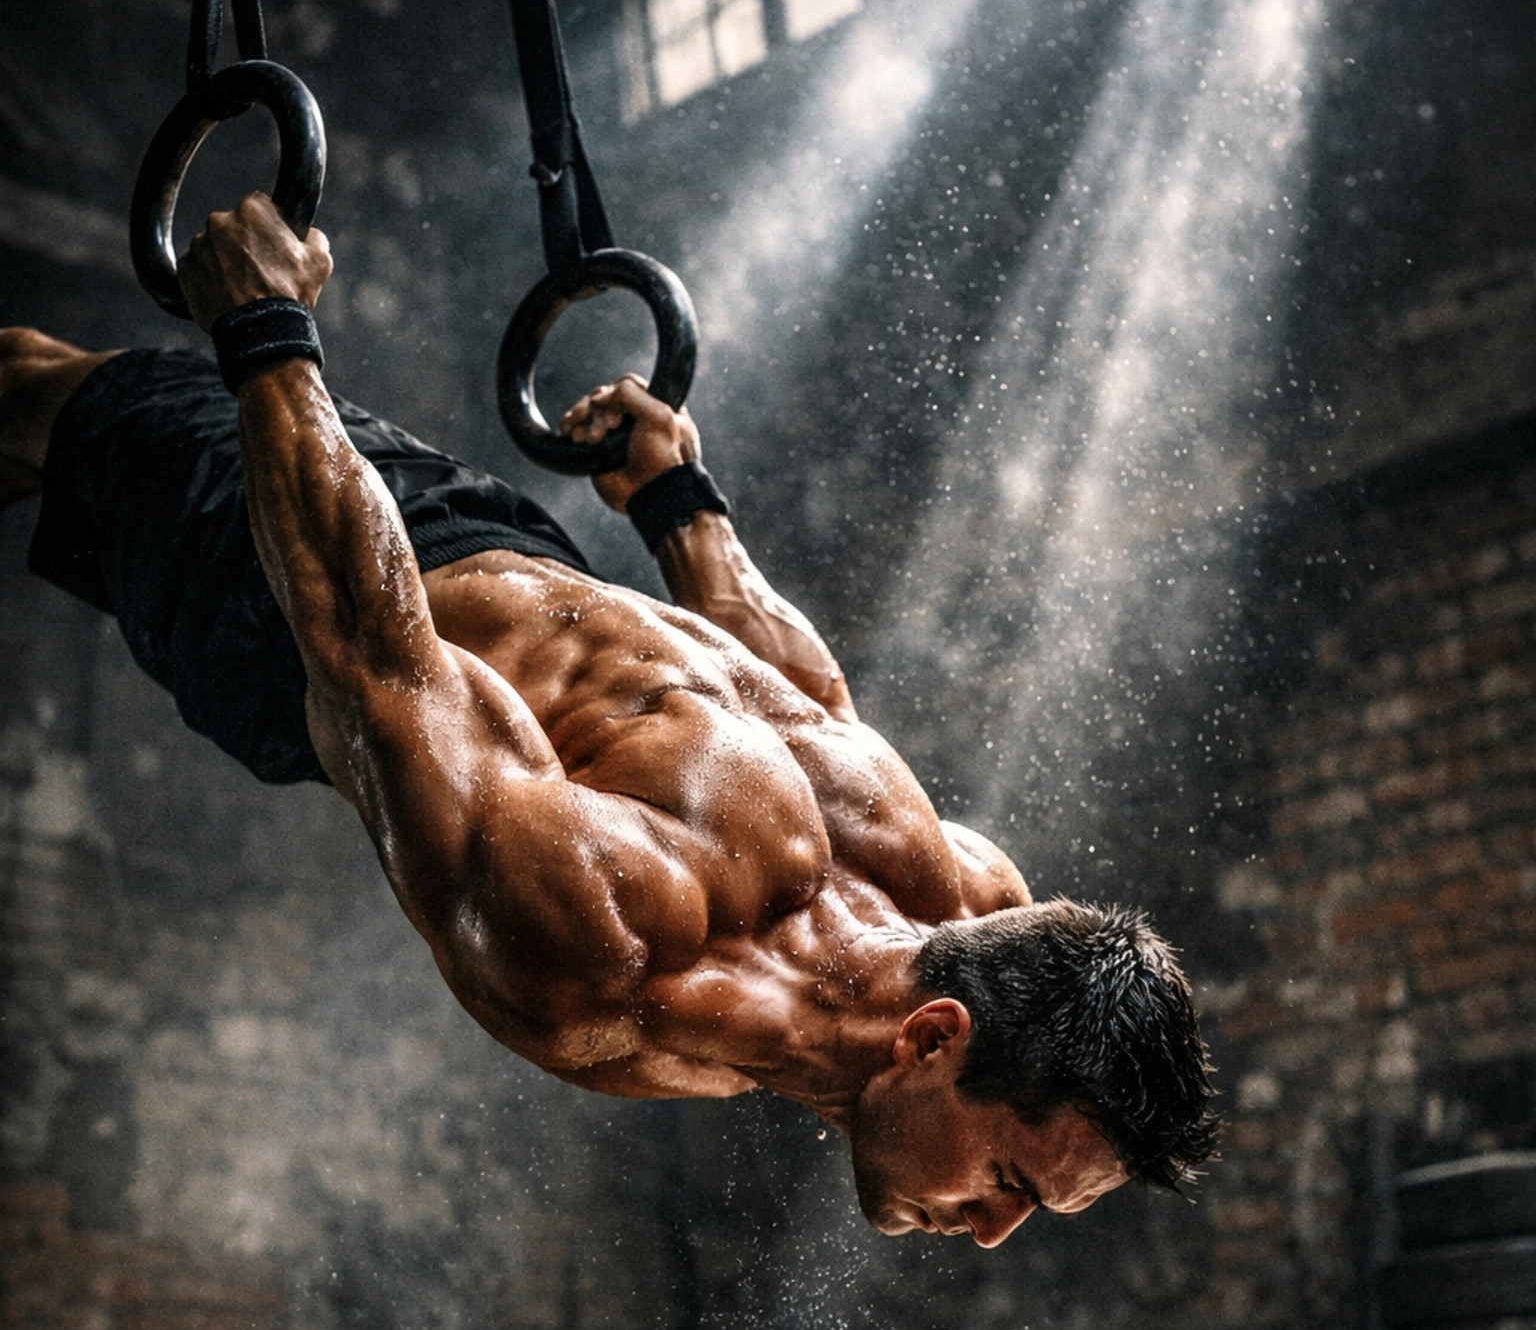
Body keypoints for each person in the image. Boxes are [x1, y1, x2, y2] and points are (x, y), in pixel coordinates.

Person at [0, 194, 1219, 1248]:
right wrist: (267, 331)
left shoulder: (968, 925)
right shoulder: (611, 953)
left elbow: (808, 715)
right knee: (26, 391)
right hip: (297, 592)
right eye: (1011, 1181)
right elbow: (377, 656)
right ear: (934, 1039)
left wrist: (685, 515)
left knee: (37, 393)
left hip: (374, 583)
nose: (992, 1230)